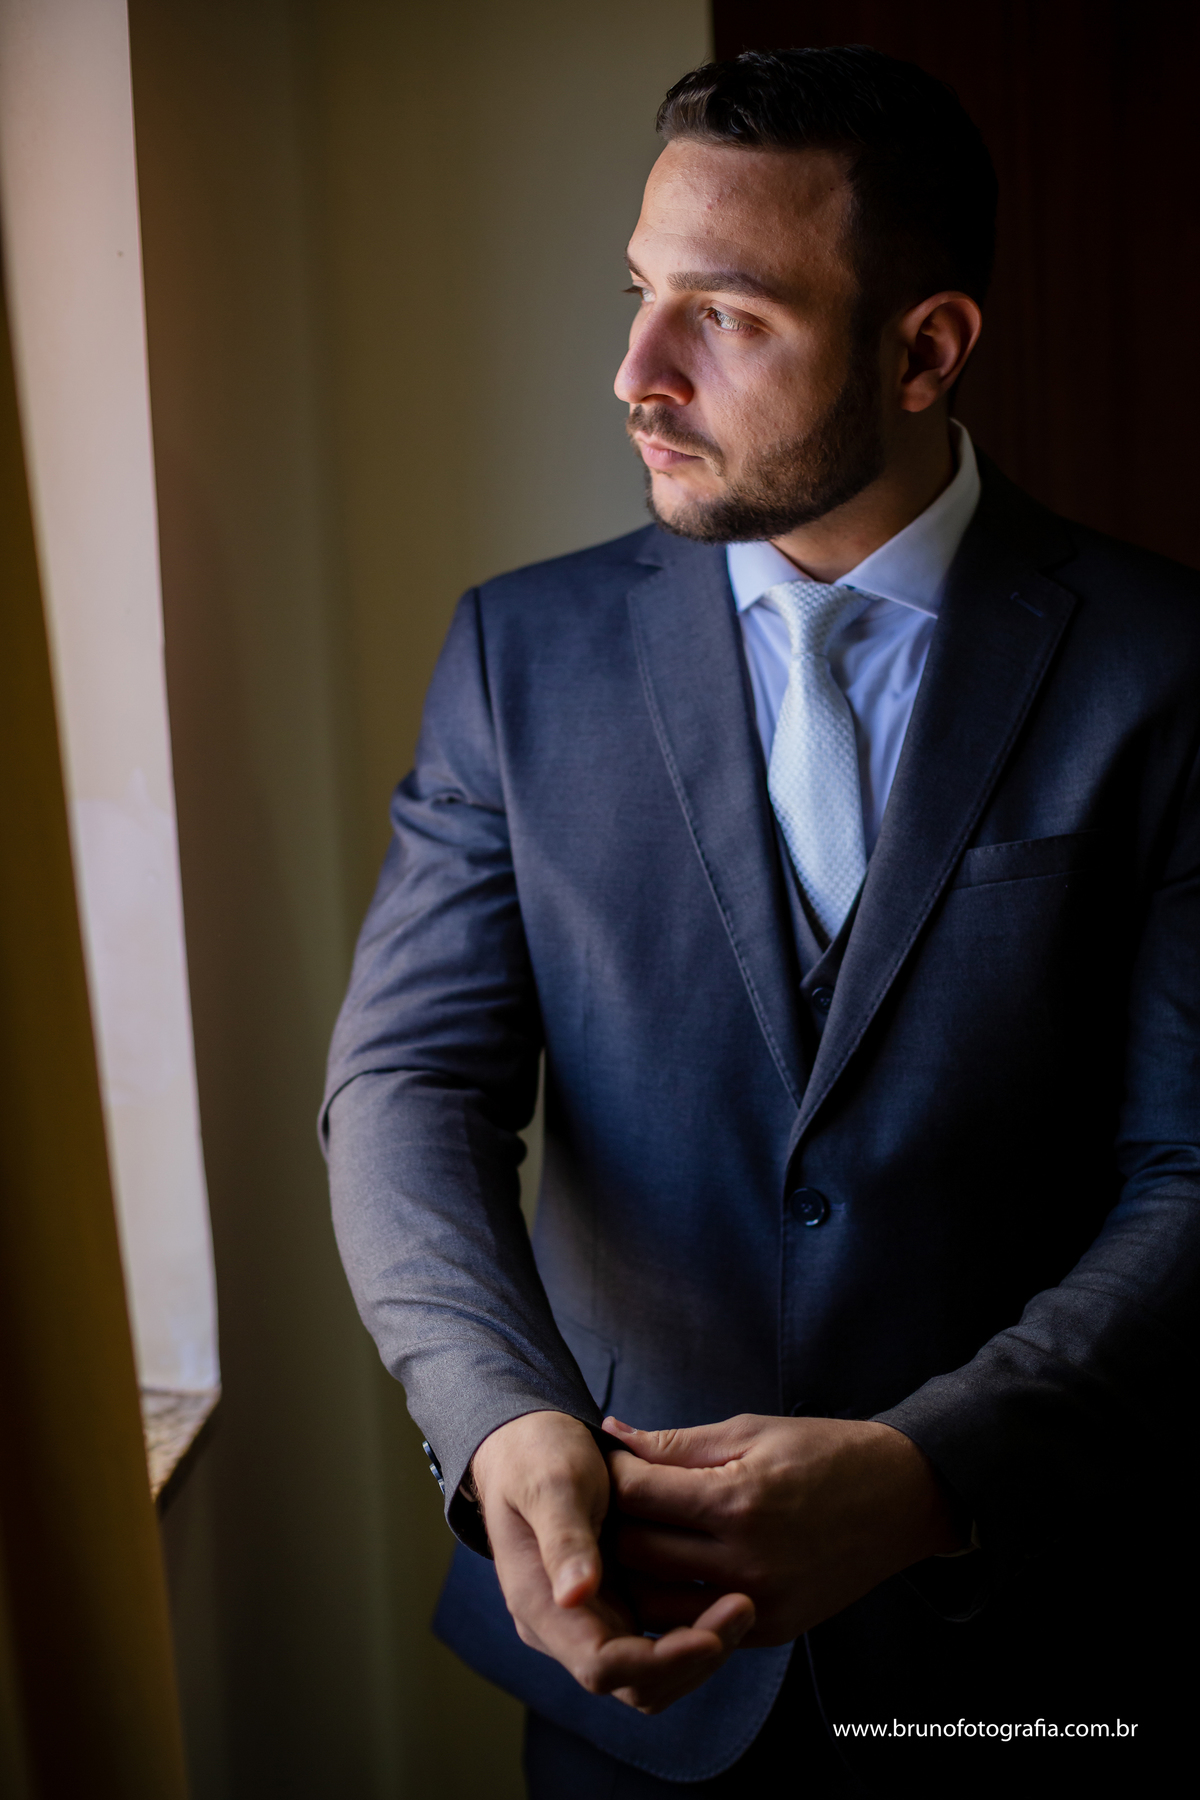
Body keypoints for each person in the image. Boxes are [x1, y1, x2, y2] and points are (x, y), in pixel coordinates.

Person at [323, 45, 1198, 1795]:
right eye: (639, 294)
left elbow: (1191, 1165)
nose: (636, 374)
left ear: (926, 350)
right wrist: (502, 1420)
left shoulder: (1168, 668)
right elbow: (406, 1086)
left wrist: (934, 1470)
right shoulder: (516, 658)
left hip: (1034, 1635)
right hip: (622, 1642)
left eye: (723, 316)